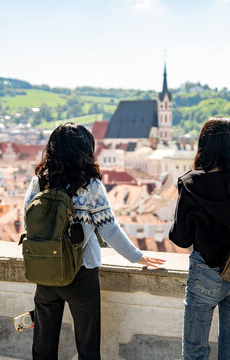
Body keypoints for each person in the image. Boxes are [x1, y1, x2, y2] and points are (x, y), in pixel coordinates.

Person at [23, 122, 165, 360]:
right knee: (88, 347)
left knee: (42, 347)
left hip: (45, 270)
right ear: (85, 151)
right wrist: (137, 256)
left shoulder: (40, 180)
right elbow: (108, 228)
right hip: (81, 271)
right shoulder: (90, 185)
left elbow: (28, 222)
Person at [169, 116, 230, 360]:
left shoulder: (191, 183)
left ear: (204, 146)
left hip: (206, 271)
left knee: (195, 352)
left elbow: (181, 238)